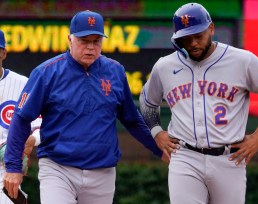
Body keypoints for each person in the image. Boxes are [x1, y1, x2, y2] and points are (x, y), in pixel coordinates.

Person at [3, 10, 167, 204]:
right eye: (83, 40)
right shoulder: (46, 73)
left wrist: (160, 150)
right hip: (58, 168)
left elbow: (131, 119)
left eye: (96, 41)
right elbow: (21, 118)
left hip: (102, 171)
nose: (90, 47)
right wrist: (13, 168)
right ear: (69, 40)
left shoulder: (115, 71)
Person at [139, 3, 258, 204]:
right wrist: (156, 132)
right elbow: (147, 100)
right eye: (185, 38)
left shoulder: (242, 60)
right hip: (185, 157)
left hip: (229, 159)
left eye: (197, 36)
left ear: (211, 28)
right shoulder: (165, 66)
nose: (192, 43)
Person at [0, 29, 41, 203]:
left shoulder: (22, 84)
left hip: (6, 168)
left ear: (3, 52)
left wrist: (30, 142)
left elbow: (40, 124)